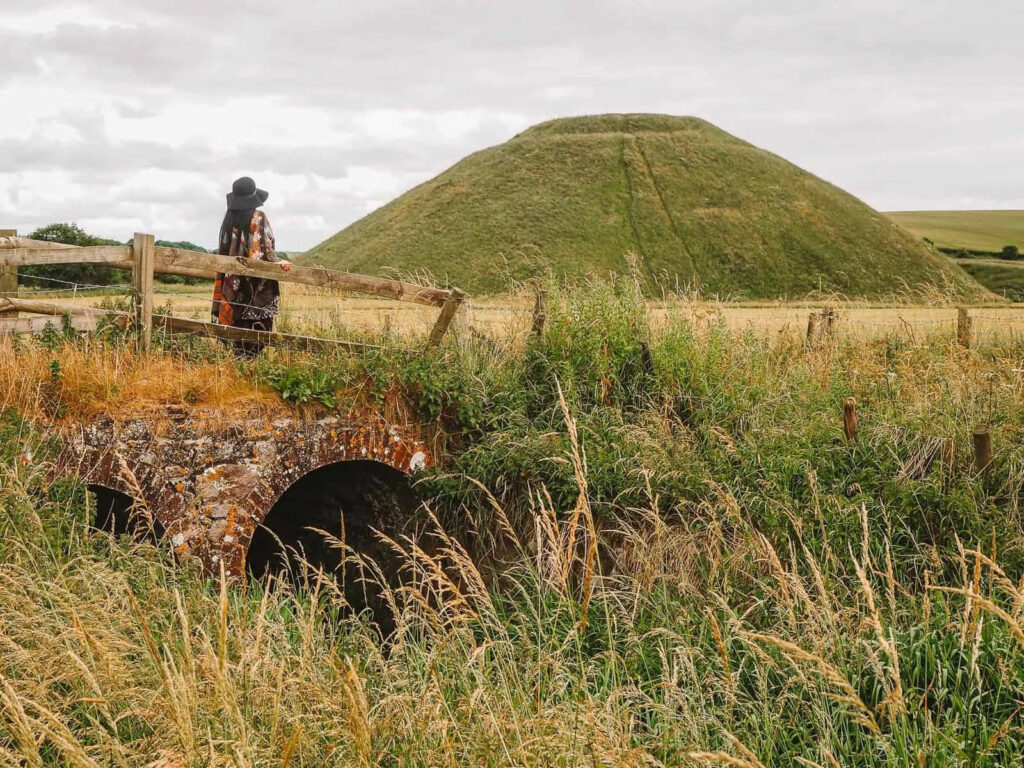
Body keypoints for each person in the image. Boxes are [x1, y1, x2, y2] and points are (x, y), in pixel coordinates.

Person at [210, 176, 291, 358]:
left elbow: (225, 250)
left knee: (239, 332)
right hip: (257, 287)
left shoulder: (229, 220)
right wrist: (277, 261)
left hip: (234, 286)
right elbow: (263, 247)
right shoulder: (258, 217)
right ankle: (249, 366)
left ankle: (239, 364)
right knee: (259, 332)